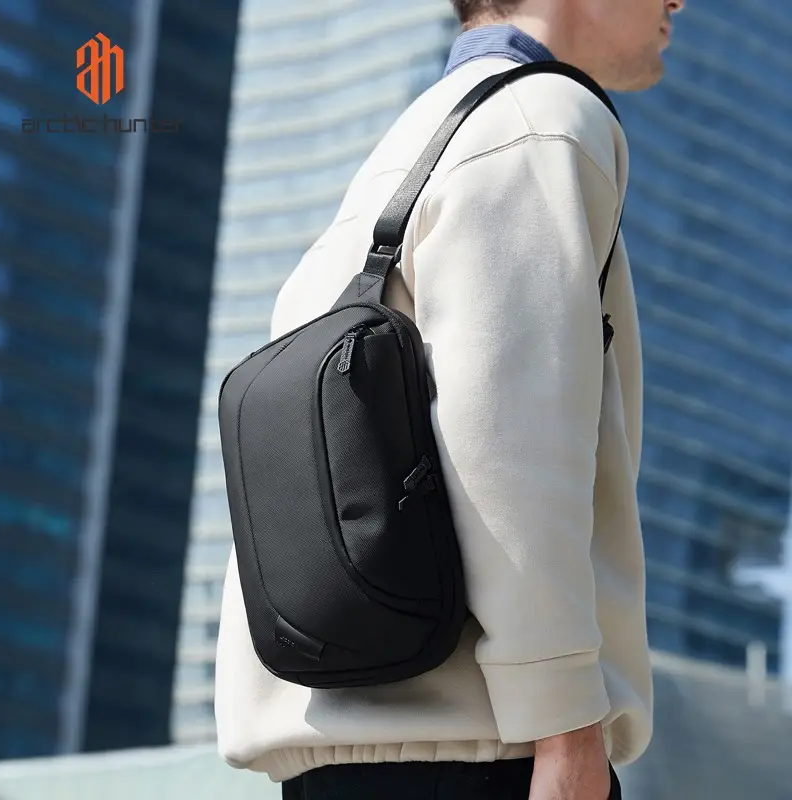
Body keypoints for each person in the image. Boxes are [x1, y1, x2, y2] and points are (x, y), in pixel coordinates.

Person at [215, 0, 684, 797]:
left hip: (334, 742)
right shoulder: (542, 117)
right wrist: (567, 726)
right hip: (486, 749)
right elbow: (512, 441)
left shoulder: (411, 146)